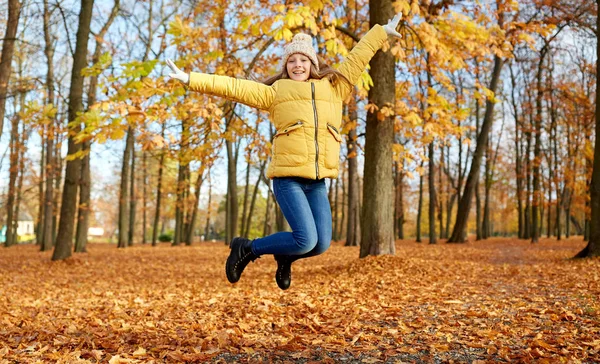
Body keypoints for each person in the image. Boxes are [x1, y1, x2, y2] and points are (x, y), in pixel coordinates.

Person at [167, 14, 402, 290]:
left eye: (303, 60)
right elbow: (234, 87)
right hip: (287, 179)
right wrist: (189, 78)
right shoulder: (276, 92)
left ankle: (284, 256)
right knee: (305, 240)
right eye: (292, 60)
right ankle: (247, 248)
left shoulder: (335, 87)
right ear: (286, 66)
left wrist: (381, 32)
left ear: (312, 64)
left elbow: (358, 57)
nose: (297, 65)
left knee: (320, 244)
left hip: (316, 182)